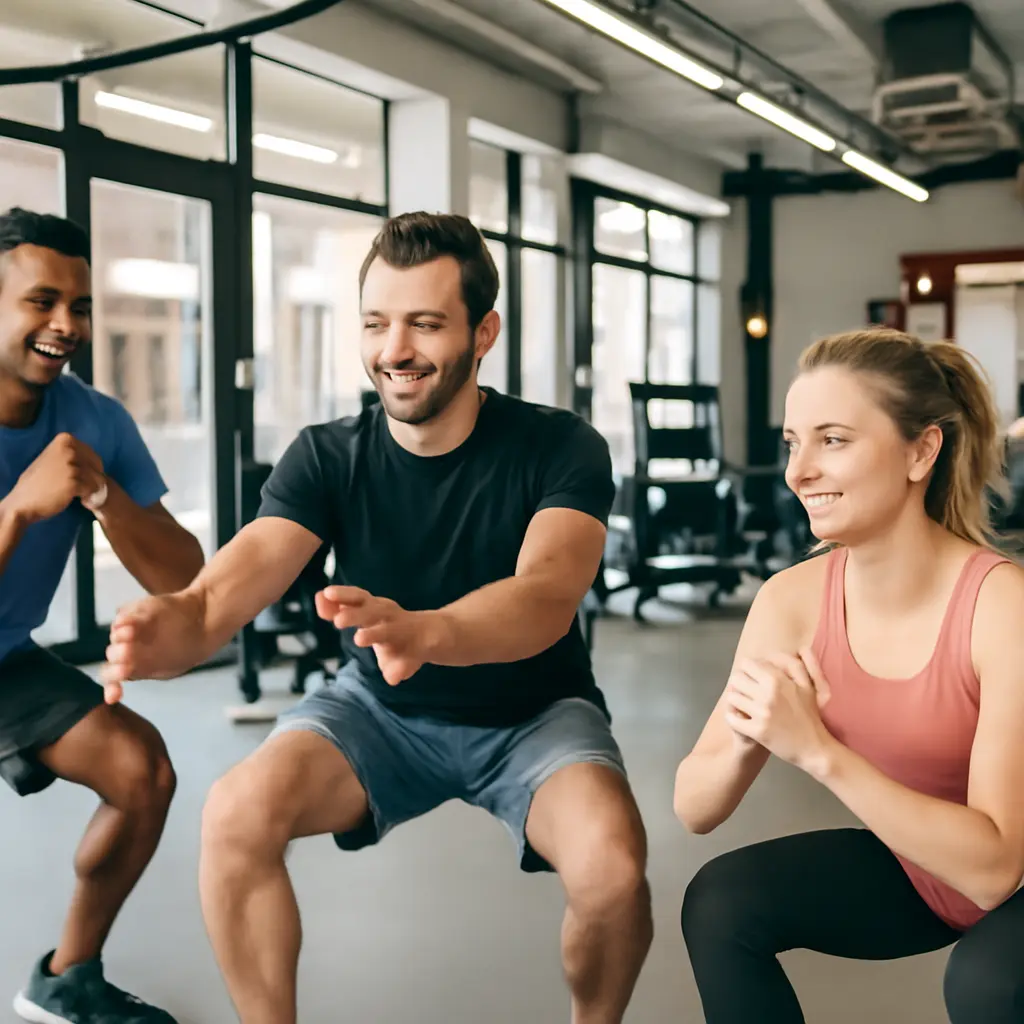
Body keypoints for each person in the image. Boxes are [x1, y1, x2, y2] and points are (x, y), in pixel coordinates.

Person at [101, 211, 653, 1024]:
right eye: (376, 323)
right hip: (379, 713)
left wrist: (426, 629)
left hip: (533, 713)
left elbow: (545, 596)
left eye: (425, 324)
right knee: (236, 813)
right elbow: (222, 595)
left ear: (483, 331)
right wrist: (168, 627)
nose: (394, 349)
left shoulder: (559, 446)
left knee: (611, 868)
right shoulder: (328, 456)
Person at [673, 326, 1024, 1023]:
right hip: (926, 871)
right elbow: (694, 806)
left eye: (832, 440)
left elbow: (993, 873)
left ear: (921, 451)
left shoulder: (1002, 607)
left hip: (1007, 873)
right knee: (721, 904)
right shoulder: (791, 601)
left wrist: (817, 751)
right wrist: (753, 730)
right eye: (792, 443)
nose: (798, 471)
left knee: (987, 983)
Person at [0, 207, 205, 1022]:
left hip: (7, 657)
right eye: (41, 301)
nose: (65, 325)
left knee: (142, 770)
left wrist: (104, 495)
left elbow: (185, 573)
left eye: (80, 306)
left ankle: (66, 977)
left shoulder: (94, 420)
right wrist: (17, 510)